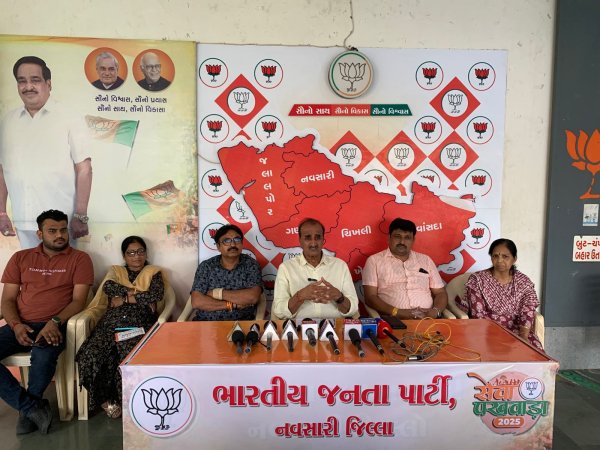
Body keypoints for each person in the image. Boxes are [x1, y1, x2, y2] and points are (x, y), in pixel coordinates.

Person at [0, 209, 93, 435]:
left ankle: (29, 411)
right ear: (40, 234)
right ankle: (31, 407)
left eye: (63, 230)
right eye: (52, 231)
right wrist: (16, 325)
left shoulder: (80, 259)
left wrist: (55, 321)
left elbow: (79, 301)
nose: (59, 235)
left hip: (54, 326)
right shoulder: (20, 258)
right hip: (19, 325)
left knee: (43, 356)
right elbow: (7, 300)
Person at [0, 56, 92, 248]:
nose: (28, 86)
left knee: (63, 268)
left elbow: (84, 168)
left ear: (48, 84)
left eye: (35, 80)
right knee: (30, 268)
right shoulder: (8, 122)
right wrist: (1, 212)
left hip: (61, 225)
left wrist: (80, 215)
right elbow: (3, 170)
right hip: (24, 221)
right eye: (22, 81)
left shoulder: (69, 117)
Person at [75, 236, 166, 418]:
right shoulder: (116, 271)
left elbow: (155, 294)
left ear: (146, 253)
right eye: (131, 253)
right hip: (110, 323)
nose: (136, 256)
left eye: (140, 251)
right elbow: (108, 287)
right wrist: (137, 295)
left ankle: (130, 403)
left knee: (126, 355)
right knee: (90, 354)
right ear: (124, 256)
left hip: (138, 324)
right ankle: (105, 401)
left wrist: (124, 299)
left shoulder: (153, 272)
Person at [457, 238, 543, 350]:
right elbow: (477, 314)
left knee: (533, 353)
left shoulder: (523, 282)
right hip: (487, 332)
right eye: (495, 256)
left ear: (514, 259)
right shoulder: (478, 280)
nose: (499, 260)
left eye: (505, 256)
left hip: (518, 331)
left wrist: (523, 337)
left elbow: (528, 310)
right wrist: (498, 337)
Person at [273, 218, 358, 319]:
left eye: (317, 238)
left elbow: (353, 309)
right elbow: (279, 311)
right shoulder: (286, 268)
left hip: (336, 326)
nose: (313, 243)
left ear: (323, 240)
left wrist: (339, 297)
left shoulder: (340, 266)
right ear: (300, 241)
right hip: (299, 326)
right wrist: (299, 296)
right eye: (308, 238)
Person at [363, 218, 448, 319]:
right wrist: (397, 312)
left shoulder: (426, 260)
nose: (402, 242)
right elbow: (370, 297)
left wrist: (435, 311)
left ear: (413, 240)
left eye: (407, 238)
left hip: (427, 319)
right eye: (397, 237)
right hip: (393, 319)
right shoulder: (374, 261)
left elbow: (440, 293)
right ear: (389, 238)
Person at [191, 224, 262, 321]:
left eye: (237, 239)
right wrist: (232, 305)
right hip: (205, 323)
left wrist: (217, 293)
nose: (233, 244)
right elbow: (197, 302)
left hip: (241, 324)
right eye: (226, 240)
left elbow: (252, 297)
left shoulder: (251, 265)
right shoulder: (206, 266)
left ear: (242, 243)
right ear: (218, 246)